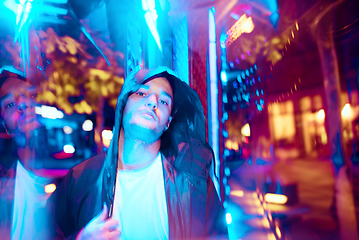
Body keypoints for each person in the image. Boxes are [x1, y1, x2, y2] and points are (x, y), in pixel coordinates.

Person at [48, 66, 227, 239]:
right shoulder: (79, 179)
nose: (152, 102)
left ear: (168, 122)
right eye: (141, 93)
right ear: (123, 105)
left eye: (164, 101)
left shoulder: (193, 184)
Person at [0, 66, 59, 239]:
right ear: (5, 126)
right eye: (10, 104)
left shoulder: (73, 171)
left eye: (30, 95)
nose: (22, 104)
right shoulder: (6, 183)